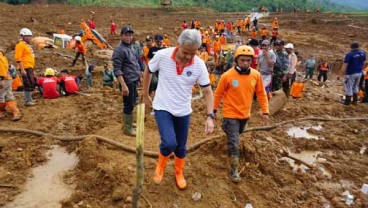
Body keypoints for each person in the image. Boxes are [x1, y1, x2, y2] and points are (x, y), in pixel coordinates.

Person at [142, 29, 215, 190]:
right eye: (185, 52)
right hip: (163, 107)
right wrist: (145, 94)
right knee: (169, 143)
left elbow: (208, 91)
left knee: (181, 147)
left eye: (193, 53)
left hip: (183, 109)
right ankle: (160, 166)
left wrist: (210, 116)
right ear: (178, 45)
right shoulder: (162, 56)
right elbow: (148, 70)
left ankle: (178, 172)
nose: (189, 57)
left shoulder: (199, 65)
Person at [214, 45, 269, 182]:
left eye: (248, 61)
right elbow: (218, 94)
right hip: (230, 113)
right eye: (242, 60)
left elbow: (262, 94)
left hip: (245, 114)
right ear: (236, 60)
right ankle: (234, 170)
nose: (245, 63)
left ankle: (227, 129)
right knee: (234, 142)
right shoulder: (227, 76)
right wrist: (213, 111)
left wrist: (265, 111)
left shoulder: (256, 75)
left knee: (238, 133)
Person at [113, 26, 142, 136]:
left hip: (133, 80)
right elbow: (117, 69)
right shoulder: (119, 50)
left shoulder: (130, 47)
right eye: (126, 35)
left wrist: (138, 77)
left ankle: (127, 123)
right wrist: (123, 85)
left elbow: (134, 63)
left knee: (133, 101)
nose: (129, 37)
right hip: (127, 81)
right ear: (121, 36)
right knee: (128, 104)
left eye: (130, 35)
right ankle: (127, 128)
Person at [338, 41, 366, 105]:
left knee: (348, 86)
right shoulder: (363, 53)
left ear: (351, 47)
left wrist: (340, 75)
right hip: (359, 73)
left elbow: (345, 65)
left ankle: (347, 102)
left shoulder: (349, 54)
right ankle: (355, 101)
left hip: (351, 73)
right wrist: (361, 69)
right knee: (355, 86)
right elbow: (364, 63)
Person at [15, 28, 36, 106]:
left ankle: (30, 99)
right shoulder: (20, 45)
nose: (29, 38)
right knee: (27, 83)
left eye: (29, 36)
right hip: (25, 67)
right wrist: (22, 69)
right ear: (23, 36)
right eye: (27, 36)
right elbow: (18, 58)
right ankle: (27, 101)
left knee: (31, 82)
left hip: (29, 66)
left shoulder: (26, 45)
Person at [0, 49, 21, 121]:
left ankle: (2, 111)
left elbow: (2, 67)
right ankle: (15, 112)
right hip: (6, 78)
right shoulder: (2, 56)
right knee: (8, 95)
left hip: (3, 79)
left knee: (1, 96)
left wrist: (1, 79)